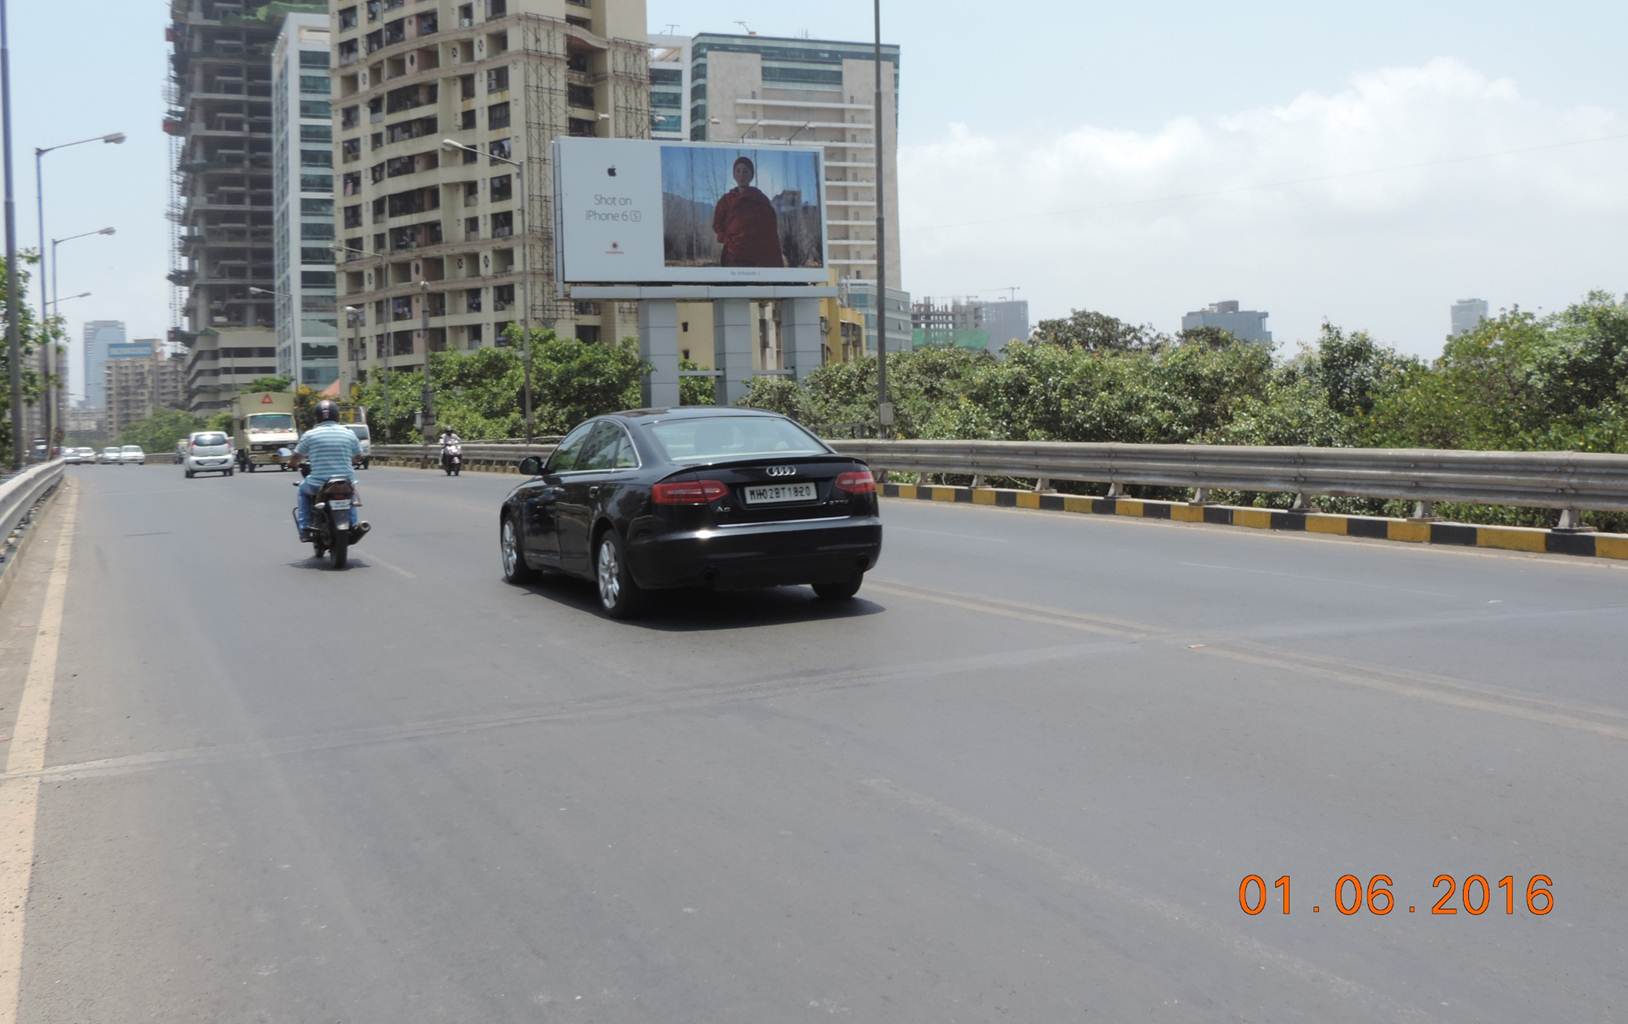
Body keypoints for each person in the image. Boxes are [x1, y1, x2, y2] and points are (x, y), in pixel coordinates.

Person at [287, 400, 366, 542]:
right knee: (350, 495)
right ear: (337, 416)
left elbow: (297, 456)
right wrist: (352, 460)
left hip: (319, 483)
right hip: (345, 481)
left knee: (302, 491)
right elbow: (359, 456)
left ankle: (305, 527)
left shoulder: (310, 435)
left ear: (316, 417)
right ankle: (354, 525)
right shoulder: (348, 433)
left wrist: (292, 463)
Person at [711, 156, 784, 268]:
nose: (741, 175)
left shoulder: (760, 199)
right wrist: (727, 240)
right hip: (732, 255)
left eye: (745, 171)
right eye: (738, 171)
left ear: (751, 175)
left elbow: (770, 230)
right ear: (734, 174)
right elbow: (717, 224)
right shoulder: (726, 200)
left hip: (756, 257)